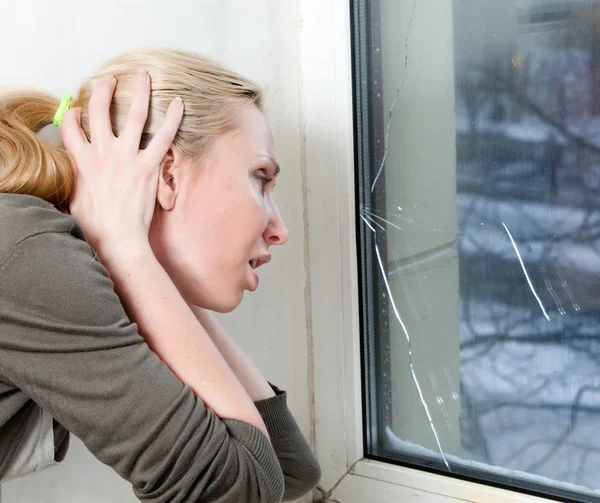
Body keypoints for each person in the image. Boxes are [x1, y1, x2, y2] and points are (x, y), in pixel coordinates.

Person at [0, 47, 320, 502]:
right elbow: (243, 493)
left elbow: (289, 470)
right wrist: (125, 248)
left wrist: (133, 257)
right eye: (260, 179)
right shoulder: (33, 257)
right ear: (166, 174)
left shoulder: (70, 259)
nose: (279, 229)